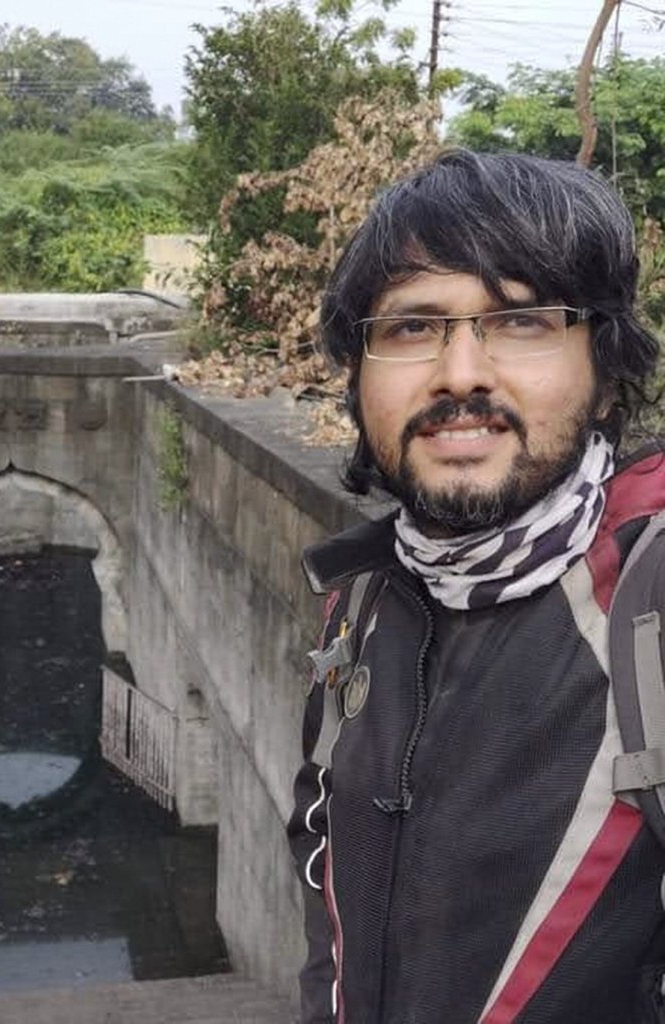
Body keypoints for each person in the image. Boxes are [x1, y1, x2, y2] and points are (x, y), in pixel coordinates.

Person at [288, 149, 665, 1024]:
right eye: (412, 328)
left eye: (522, 322)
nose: (461, 374)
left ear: (606, 371)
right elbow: (321, 863)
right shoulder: (366, 599)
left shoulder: (643, 606)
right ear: (358, 374)